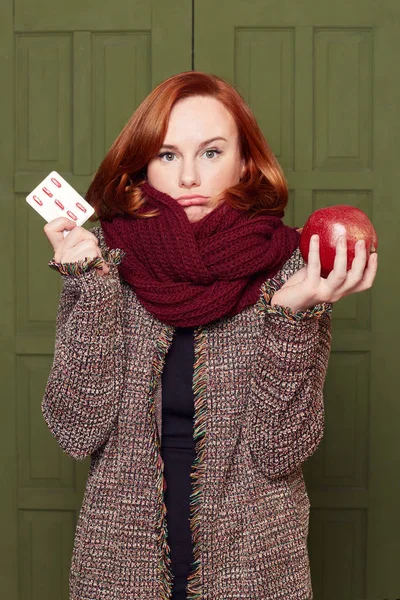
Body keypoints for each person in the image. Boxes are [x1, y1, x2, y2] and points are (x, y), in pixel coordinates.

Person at [41, 71, 378, 600]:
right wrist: (92, 289)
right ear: (145, 165)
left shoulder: (293, 266)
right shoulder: (103, 256)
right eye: (169, 155)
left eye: (212, 152)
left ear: (245, 160)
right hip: (117, 568)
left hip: (256, 569)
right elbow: (74, 430)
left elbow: (281, 452)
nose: (190, 177)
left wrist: (291, 318)